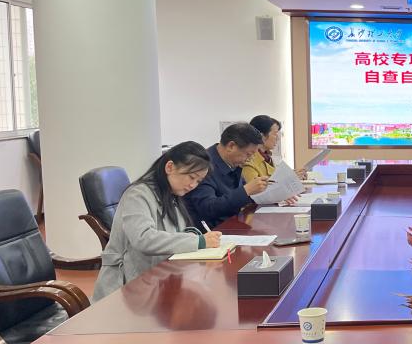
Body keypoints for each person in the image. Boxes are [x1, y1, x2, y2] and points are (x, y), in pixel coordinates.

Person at [93, 142, 222, 300]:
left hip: (158, 277)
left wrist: (192, 235)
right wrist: (198, 241)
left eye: (198, 181)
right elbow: (143, 239)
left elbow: (174, 231)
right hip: (126, 287)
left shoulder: (171, 193)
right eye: (191, 177)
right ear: (170, 167)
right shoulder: (138, 194)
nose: (193, 185)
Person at [186, 123, 269, 229]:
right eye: (248, 154)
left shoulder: (233, 163)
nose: (250, 159)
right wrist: (246, 190)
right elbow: (208, 208)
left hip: (232, 225)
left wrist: (267, 193)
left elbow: (240, 197)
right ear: (231, 146)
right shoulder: (204, 165)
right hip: (211, 231)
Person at [242, 115, 282, 182]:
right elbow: (254, 187)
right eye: (275, 134)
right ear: (262, 136)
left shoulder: (267, 157)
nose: (277, 138)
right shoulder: (249, 161)